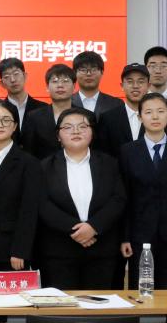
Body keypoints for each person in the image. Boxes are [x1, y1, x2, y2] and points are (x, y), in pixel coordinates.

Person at [38, 107, 125, 289]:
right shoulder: (44, 167)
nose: (76, 131)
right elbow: (42, 204)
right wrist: (77, 230)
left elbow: (118, 199)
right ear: (58, 136)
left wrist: (93, 227)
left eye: (83, 126)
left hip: (101, 249)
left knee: (99, 303)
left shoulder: (109, 163)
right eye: (68, 127)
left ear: (92, 133)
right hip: (59, 251)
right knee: (62, 304)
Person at [119, 93, 167, 290]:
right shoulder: (128, 151)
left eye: (160, 111)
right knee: (142, 291)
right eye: (148, 112)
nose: (155, 117)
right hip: (139, 236)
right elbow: (124, 197)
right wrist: (125, 237)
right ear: (140, 117)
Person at [0, 101, 42, 282]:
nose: (0, 125)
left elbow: (29, 210)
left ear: (15, 126)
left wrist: (20, 250)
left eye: (6, 120)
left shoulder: (29, 163)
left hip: (11, 251)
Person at [19, 64, 74, 160]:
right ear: (47, 87)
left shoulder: (85, 116)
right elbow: (29, 152)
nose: (60, 85)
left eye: (65, 81)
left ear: (74, 86)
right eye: (55, 81)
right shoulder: (34, 117)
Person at [96, 63, 150, 158]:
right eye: (130, 81)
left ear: (148, 86)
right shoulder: (108, 118)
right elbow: (103, 154)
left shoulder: (157, 117)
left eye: (141, 81)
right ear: (122, 86)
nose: (135, 86)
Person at [0, 57, 47, 129]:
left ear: (25, 76)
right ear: (2, 84)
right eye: (6, 76)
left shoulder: (44, 109)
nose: (13, 80)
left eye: (16, 74)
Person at [70, 51, 123, 117]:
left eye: (94, 69)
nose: (88, 74)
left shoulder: (116, 104)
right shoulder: (66, 102)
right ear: (75, 73)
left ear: (102, 72)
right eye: (83, 70)